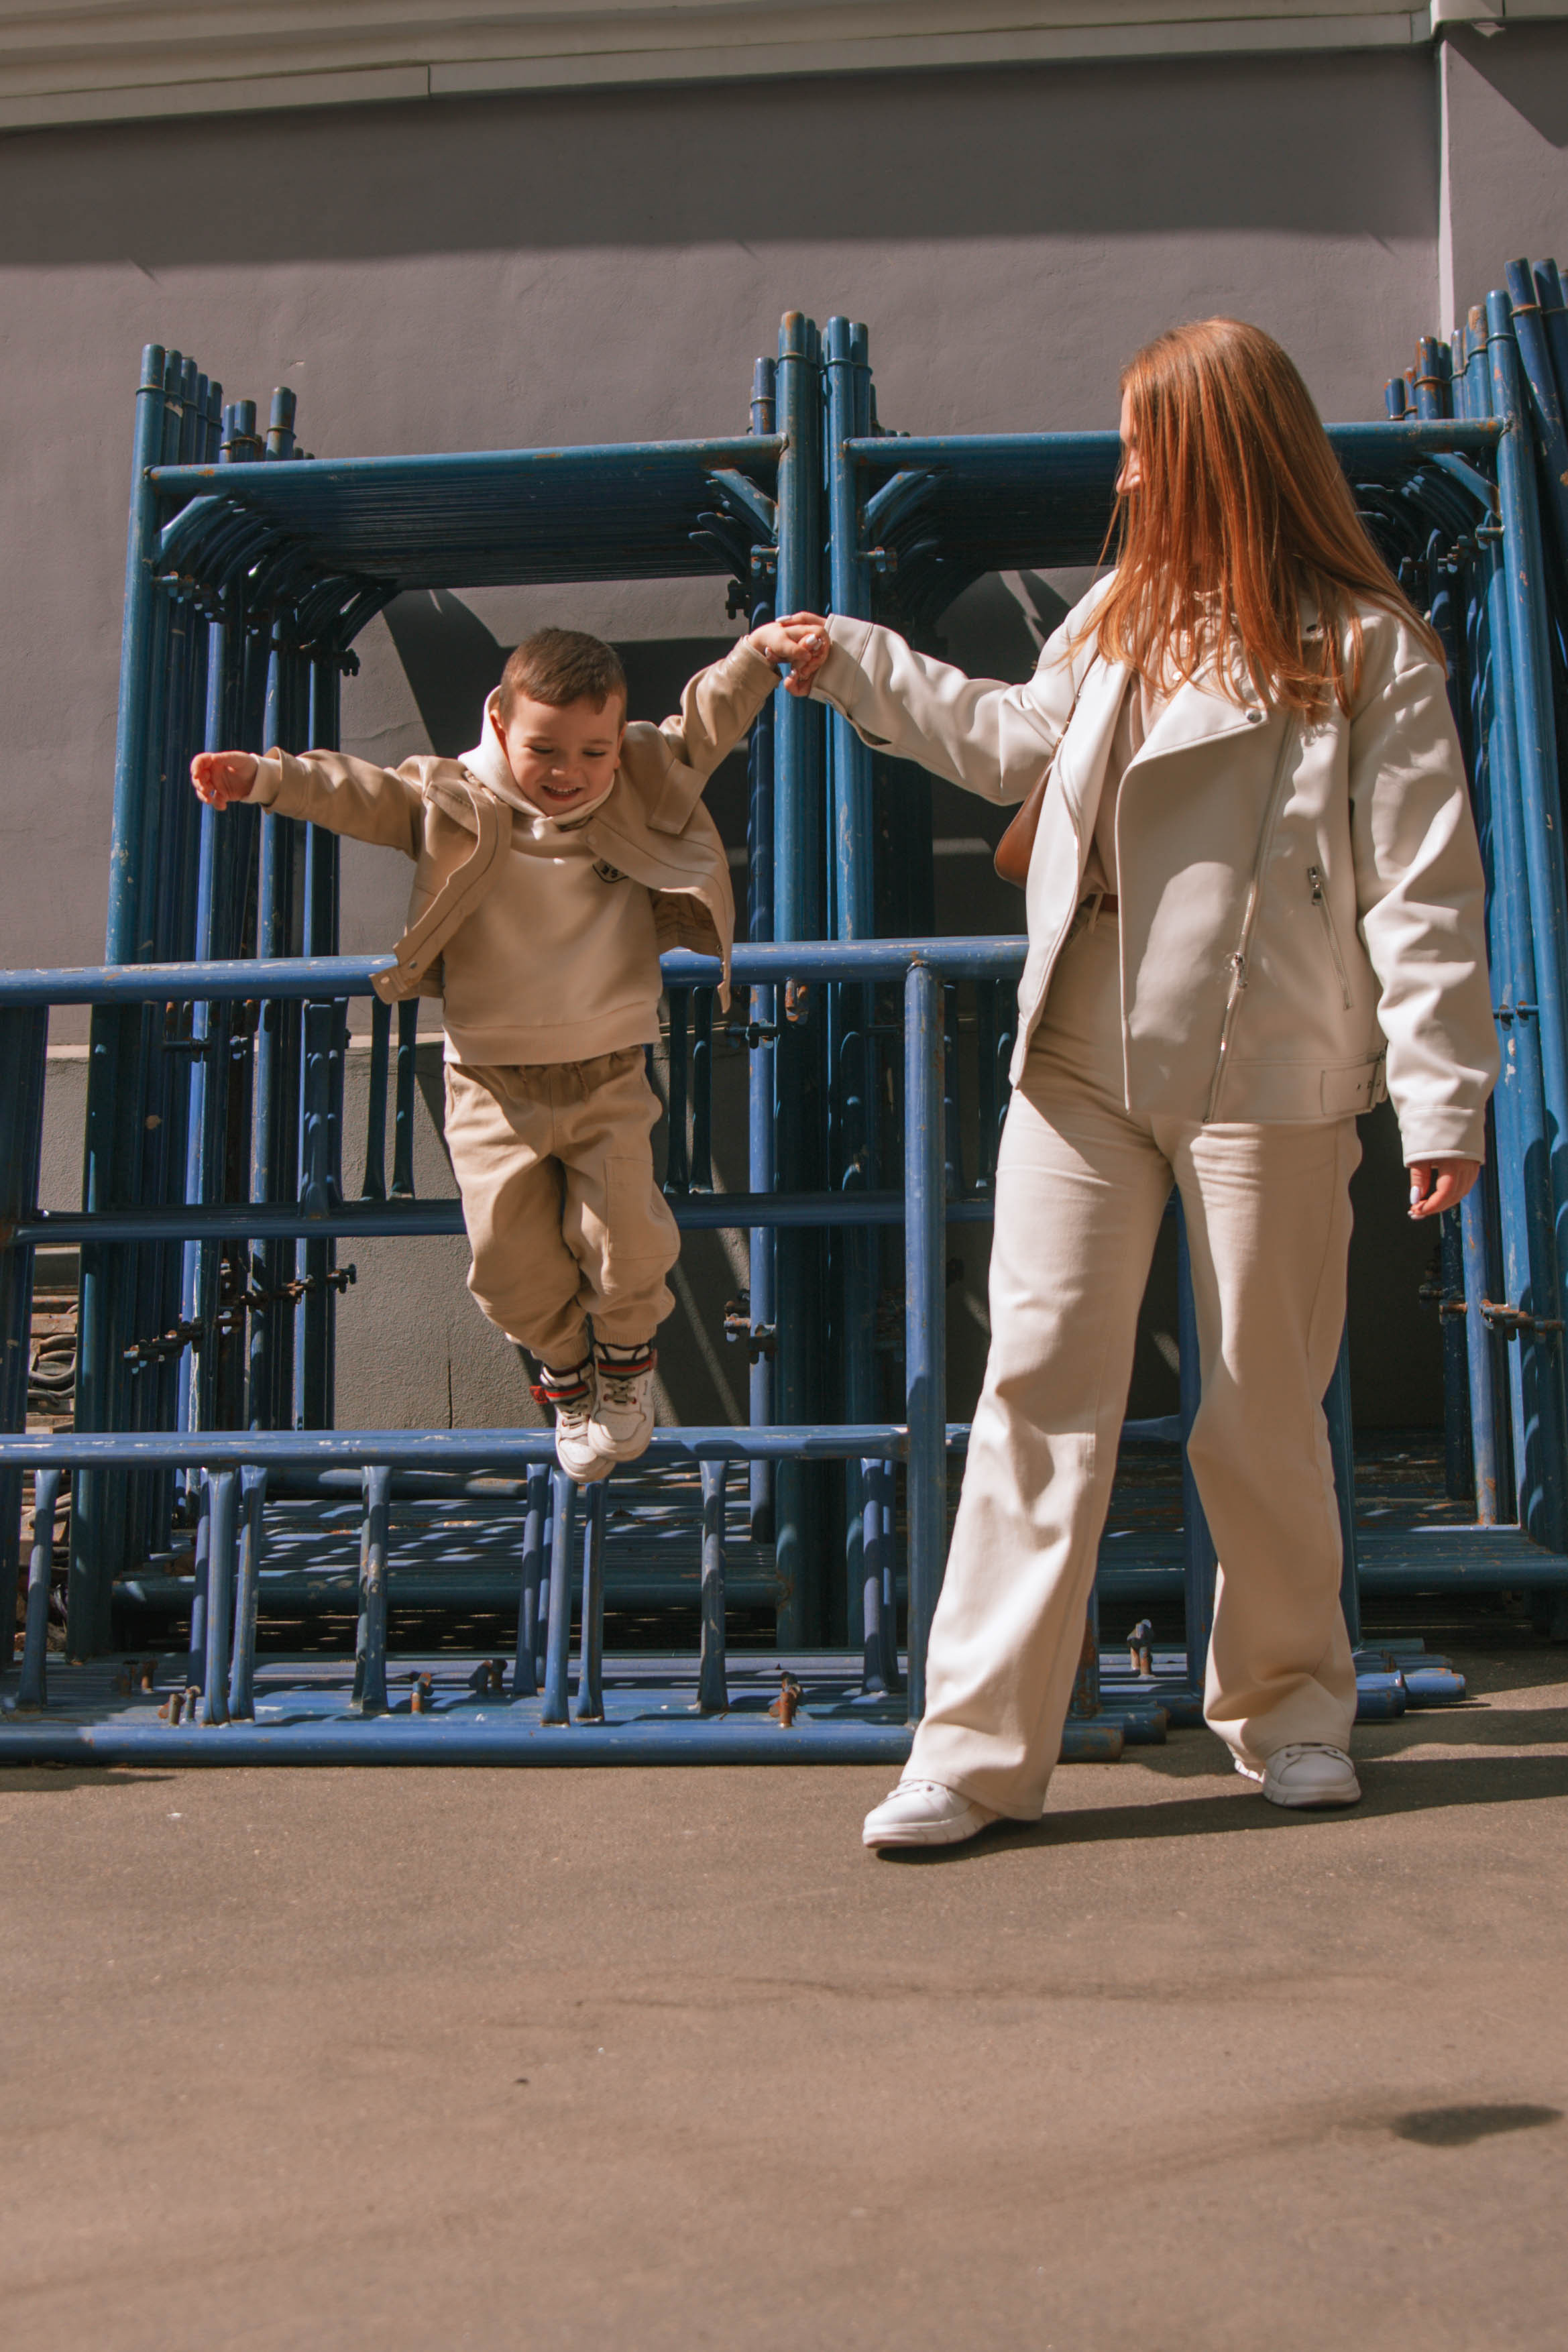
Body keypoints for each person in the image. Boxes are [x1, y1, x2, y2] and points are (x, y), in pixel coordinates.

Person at [779, 317, 1497, 1848]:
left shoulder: (1367, 644)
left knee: (1260, 1411)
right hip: (1082, 1066)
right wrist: (852, 662)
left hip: (1272, 1071)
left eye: (1140, 444)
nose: (1121, 472)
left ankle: (1294, 1708)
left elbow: (1424, 891)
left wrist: (1445, 1097)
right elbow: (1010, 743)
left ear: (1216, 452)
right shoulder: (1121, 613)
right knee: (1033, 1393)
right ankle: (968, 1751)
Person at [191, 620, 816, 1481]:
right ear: (498, 722)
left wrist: (755, 657)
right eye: (545, 749)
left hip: (606, 1065)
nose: (569, 773)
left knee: (626, 1242)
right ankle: (567, 1381)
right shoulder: (453, 797)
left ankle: (625, 1372)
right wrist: (264, 777)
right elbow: (359, 793)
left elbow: (704, 724)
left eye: (593, 751)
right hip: (487, 1076)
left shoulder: (636, 781)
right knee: (509, 1263)